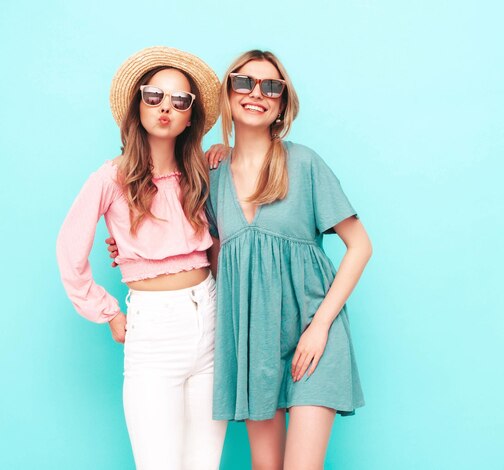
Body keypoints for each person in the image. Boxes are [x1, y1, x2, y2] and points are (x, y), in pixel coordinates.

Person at [56, 46, 227, 470]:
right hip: (155, 329)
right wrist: (108, 312)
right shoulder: (110, 177)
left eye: (179, 100)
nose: (165, 107)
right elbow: (69, 248)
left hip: (210, 316)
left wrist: (226, 153)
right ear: (137, 106)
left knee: (204, 463)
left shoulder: (203, 174)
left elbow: (227, 236)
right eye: (154, 96)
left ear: (190, 116)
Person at [209, 50, 372, 470]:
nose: (256, 93)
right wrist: (130, 252)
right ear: (227, 95)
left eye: (271, 87)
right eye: (244, 83)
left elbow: (361, 245)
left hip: (314, 337)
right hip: (253, 341)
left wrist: (320, 328)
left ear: (282, 103)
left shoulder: (304, 163)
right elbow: (203, 254)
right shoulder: (211, 175)